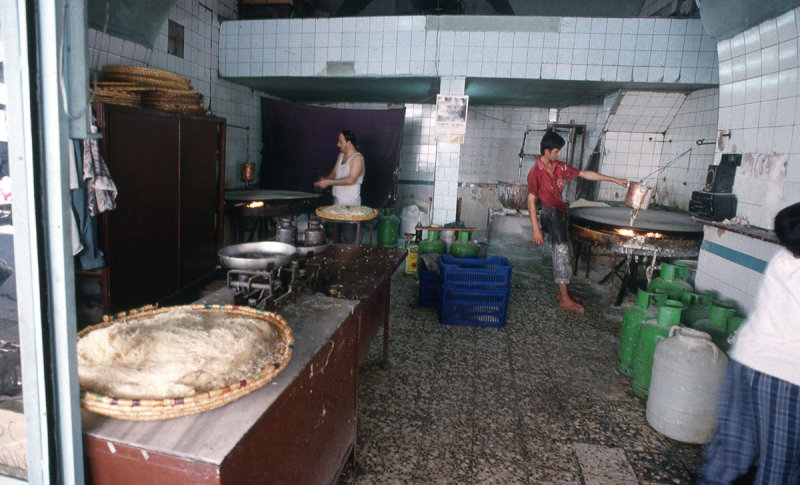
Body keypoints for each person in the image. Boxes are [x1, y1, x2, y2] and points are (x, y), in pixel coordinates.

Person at [698, 202, 800, 485]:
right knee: (780, 469)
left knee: (730, 453)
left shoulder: (783, 260)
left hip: (746, 361)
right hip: (788, 376)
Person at [526, 130, 627, 313]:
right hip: (550, 216)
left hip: (561, 214)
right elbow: (531, 200)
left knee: (566, 254)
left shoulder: (558, 167)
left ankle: (562, 293)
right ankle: (564, 299)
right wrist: (535, 229)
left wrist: (614, 180)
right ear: (547, 151)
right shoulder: (535, 172)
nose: (559, 154)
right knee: (562, 256)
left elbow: (584, 174)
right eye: (556, 151)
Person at [314, 130, 365, 243]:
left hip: (351, 209)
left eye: (340, 142)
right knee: (334, 240)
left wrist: (328, 183)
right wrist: (325, 179)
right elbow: (333, 174)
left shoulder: (358, 159)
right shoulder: (341, 155)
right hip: (336, 207)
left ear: (349, 143)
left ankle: (347, 260)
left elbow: (351, 180)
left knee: (347, 242)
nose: (338, 144)